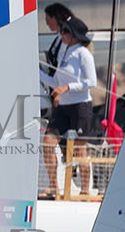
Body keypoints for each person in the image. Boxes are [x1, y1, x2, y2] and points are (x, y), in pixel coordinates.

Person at [41, 16, 99, 179]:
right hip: (62, 108)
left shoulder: (83, 54)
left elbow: (91, 82)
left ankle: (85, 191)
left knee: (79, 150)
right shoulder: (64, 54)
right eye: (61, 31)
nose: (62, 34)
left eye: (65, 31)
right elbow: (55, 82)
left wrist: (67, 88)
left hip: (80, 107)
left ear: (75, 35)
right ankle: (53, 187)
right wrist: (35, 72)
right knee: (47, 144)